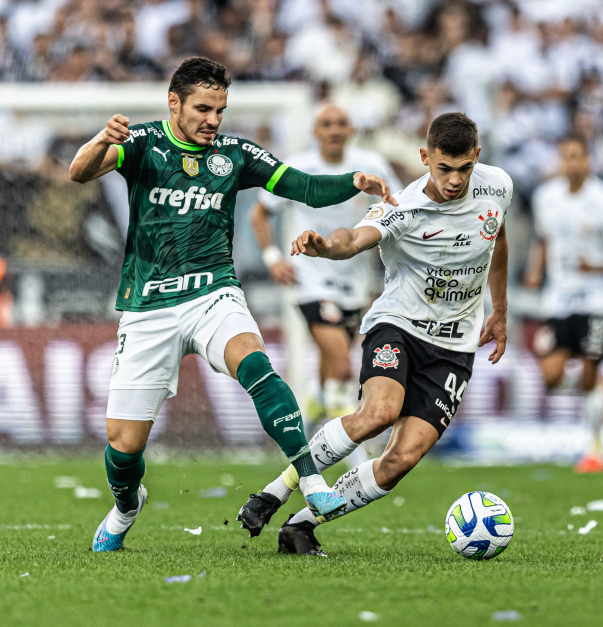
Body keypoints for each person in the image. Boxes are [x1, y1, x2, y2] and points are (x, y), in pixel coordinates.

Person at [68, 56, 397, 552]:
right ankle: (126, 506)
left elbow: (301, 186)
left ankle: (311, 480)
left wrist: (353, 181)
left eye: (219, 110)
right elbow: (78, 172)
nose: (212, 120)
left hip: (213, 292)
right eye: (203, 108)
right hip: (148, 304)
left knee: (258, 367)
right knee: (123, 446)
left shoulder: (235, 153)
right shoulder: (141, 144)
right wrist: (101, 140)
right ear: (174, 103)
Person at [236, 112, 512, 556]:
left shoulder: (498, 185)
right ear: (425, 158)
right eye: (444, 168)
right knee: (379, 413)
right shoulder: (403, 207)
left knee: (400, 461)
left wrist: (499, 309)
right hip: (397, 326)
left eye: (464, 168)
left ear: (477, 157)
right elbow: (355, 237)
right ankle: (275, 491)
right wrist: (326, 245)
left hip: (454, 347)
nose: (455, 180)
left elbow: (497, 237)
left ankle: (300, 527)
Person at [249, 103, 398, 438]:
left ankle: (303, 424)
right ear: (315, 131)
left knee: (331, 369)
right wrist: (274, 259)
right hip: (310, 279)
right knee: (344, 369)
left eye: (340, 123)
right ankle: (352, 457)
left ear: (350, 130)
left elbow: (397, 206)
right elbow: (259, 213)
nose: (333, 130)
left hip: (355, 281)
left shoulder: (371, 166)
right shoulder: (300, 168)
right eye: (326, 124)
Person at [524, 135, 603, 474]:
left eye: (578, 157)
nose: (572, 163)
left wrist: (597, 268)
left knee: (589, 369)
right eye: (566, 157)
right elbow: (544, 239)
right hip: (559, 298)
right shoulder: (547, 198)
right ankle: (597, 391)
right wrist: (535, 271)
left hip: (600, 299)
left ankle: (594, 448)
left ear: (588, 160)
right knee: (550, 375)